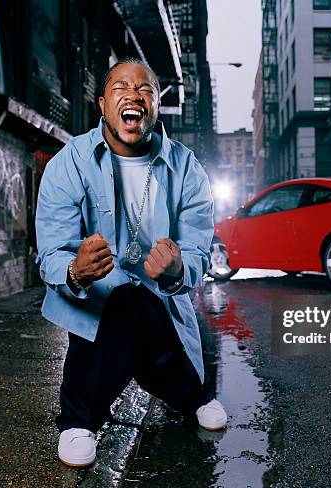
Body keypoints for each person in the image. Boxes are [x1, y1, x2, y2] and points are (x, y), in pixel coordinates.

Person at [35, 57, 227, 468]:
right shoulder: (69, 163)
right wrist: (75, 272)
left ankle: (96, 411)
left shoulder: (186, 167)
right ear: (103, 103)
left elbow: (197, 250)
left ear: (156, 105)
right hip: (97, 307)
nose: (133, 95)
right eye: (121, 87)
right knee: (118, 309)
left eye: (146, 89)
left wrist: (178, 271)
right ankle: (81, 419)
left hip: (160, 305)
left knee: (146, 315)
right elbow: (50, 252)